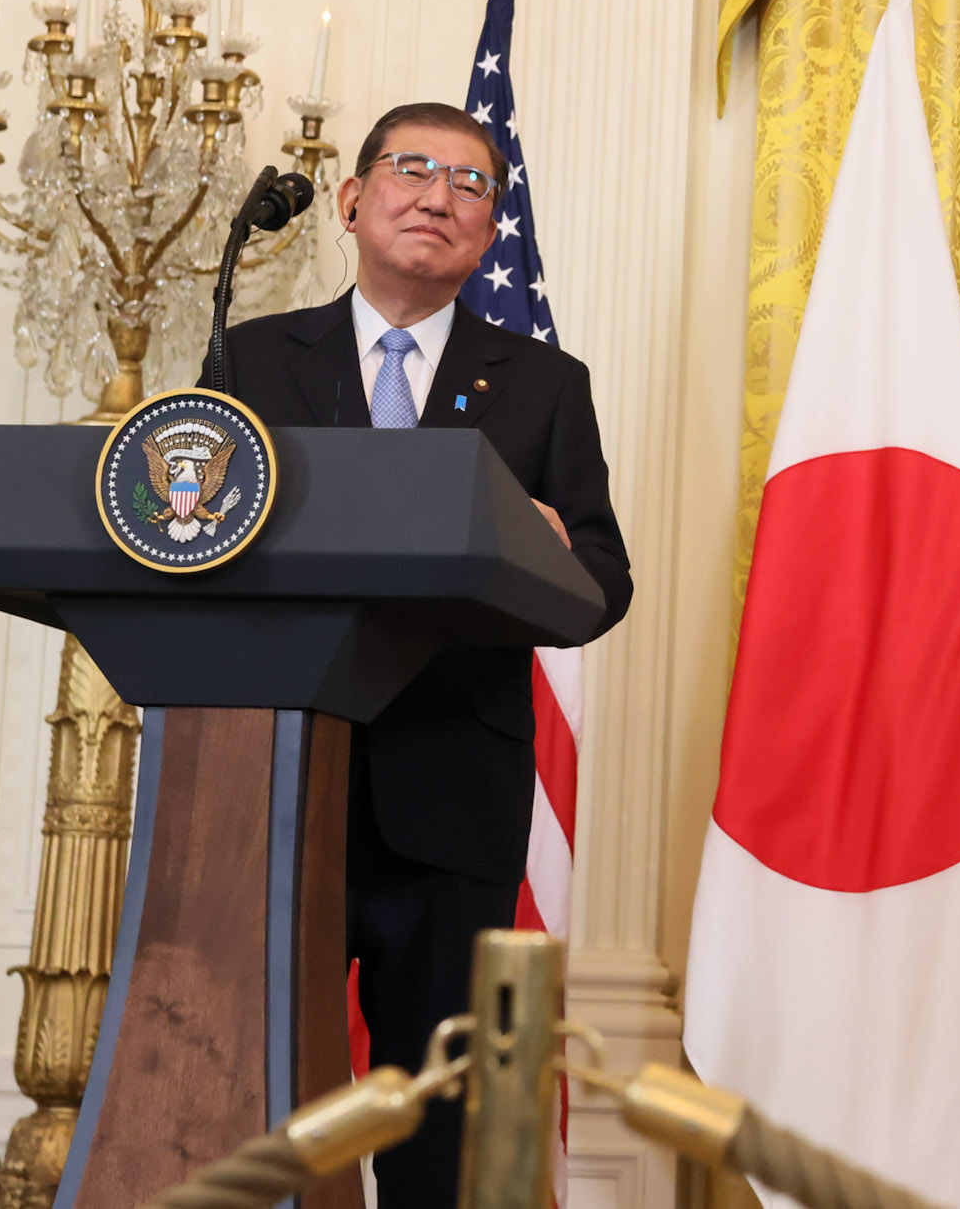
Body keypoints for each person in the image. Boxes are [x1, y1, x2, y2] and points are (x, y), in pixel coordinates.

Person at [227, 102, 632, 1201]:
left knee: (439, 1126)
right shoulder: (253, 359)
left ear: (490, 232)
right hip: (280, 784)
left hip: (452, 795)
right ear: (352, 200)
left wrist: (540, 553)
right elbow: (202, 538)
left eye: (469, 184)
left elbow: (602, 585)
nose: (438, 197)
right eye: (412, 170)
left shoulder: (544, 385)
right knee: (261, 1101)